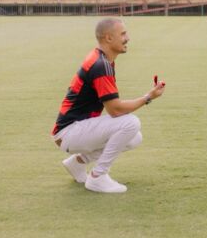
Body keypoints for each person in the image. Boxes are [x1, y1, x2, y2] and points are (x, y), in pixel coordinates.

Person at [50, 18, 166, 193]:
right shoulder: (100, 65)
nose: (127, 38)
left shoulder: (103, 61)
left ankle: (77, 162)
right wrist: (148, 97)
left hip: (72, 131)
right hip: (70, 132)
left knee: (135, 137)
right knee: (131, 123)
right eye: (123, 34)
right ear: (108, 38)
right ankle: (98, 176)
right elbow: (115, 110)